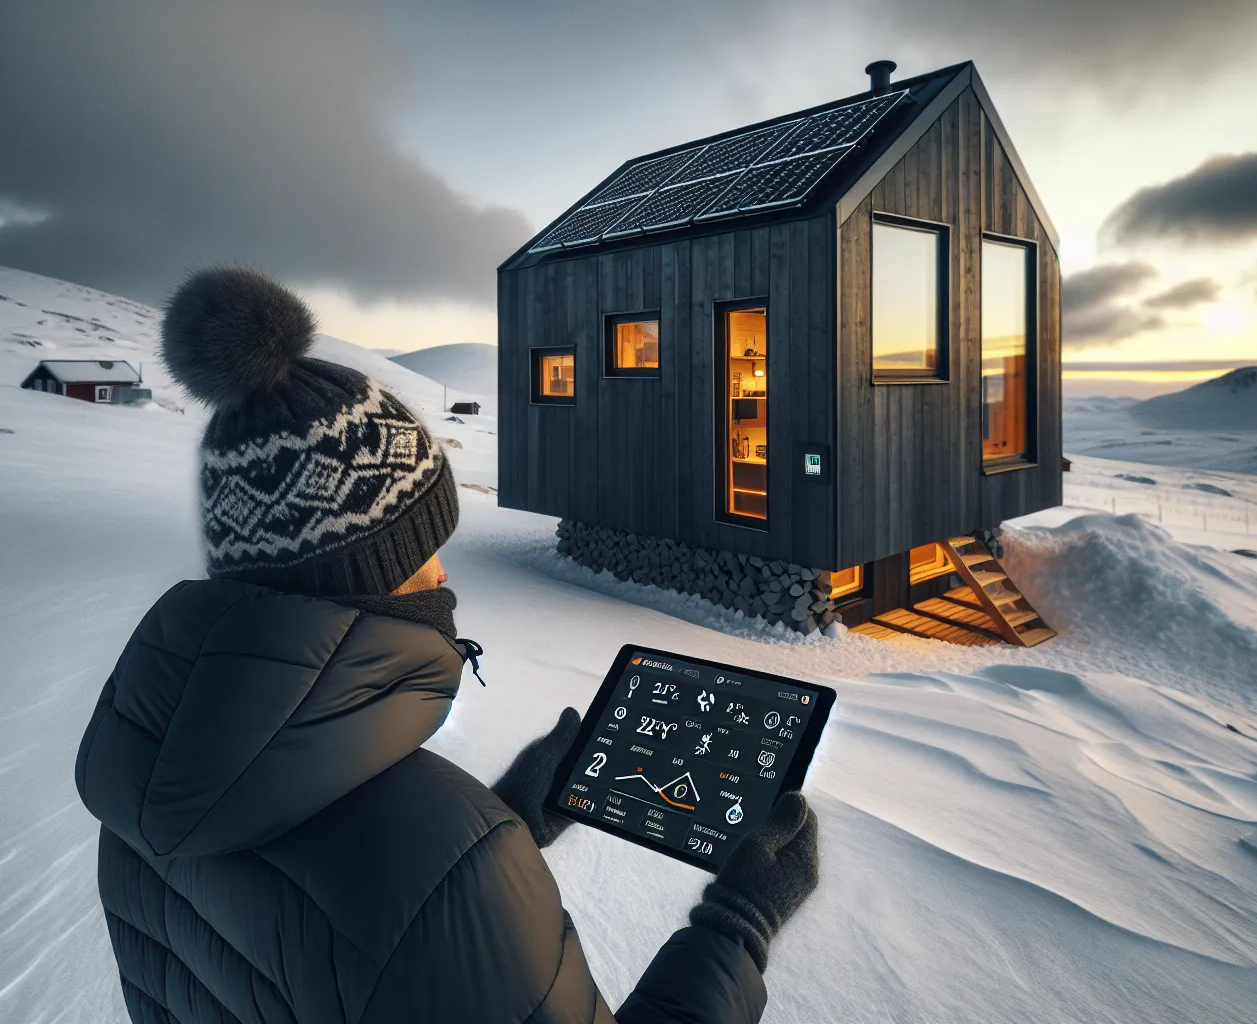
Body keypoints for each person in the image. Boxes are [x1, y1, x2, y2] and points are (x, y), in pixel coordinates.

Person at [74, 267, 821, 1023]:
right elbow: (398, 919)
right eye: (422, 551)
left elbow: (337, 931)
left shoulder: (143, 795)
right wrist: (739, 926)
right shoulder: (449, 864)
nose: (442, 574)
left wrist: (508, 823)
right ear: (364, 576)